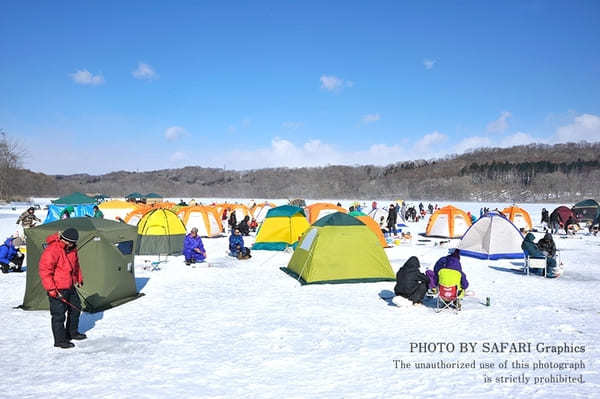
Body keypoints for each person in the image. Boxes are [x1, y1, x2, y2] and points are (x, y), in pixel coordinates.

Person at [38, 228, 86, 349]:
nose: (73, 244)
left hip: (70, 286)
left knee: (76, 309)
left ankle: (72, 332)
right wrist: (51, 289)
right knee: (59, 315)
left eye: (74, 243)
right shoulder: (52, 250)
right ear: (65, 240)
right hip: (57, 288)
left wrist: (78, 278)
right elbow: (45, 271)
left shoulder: (72, 249)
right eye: (71, 242)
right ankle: (60, 340)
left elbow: (76, 265)